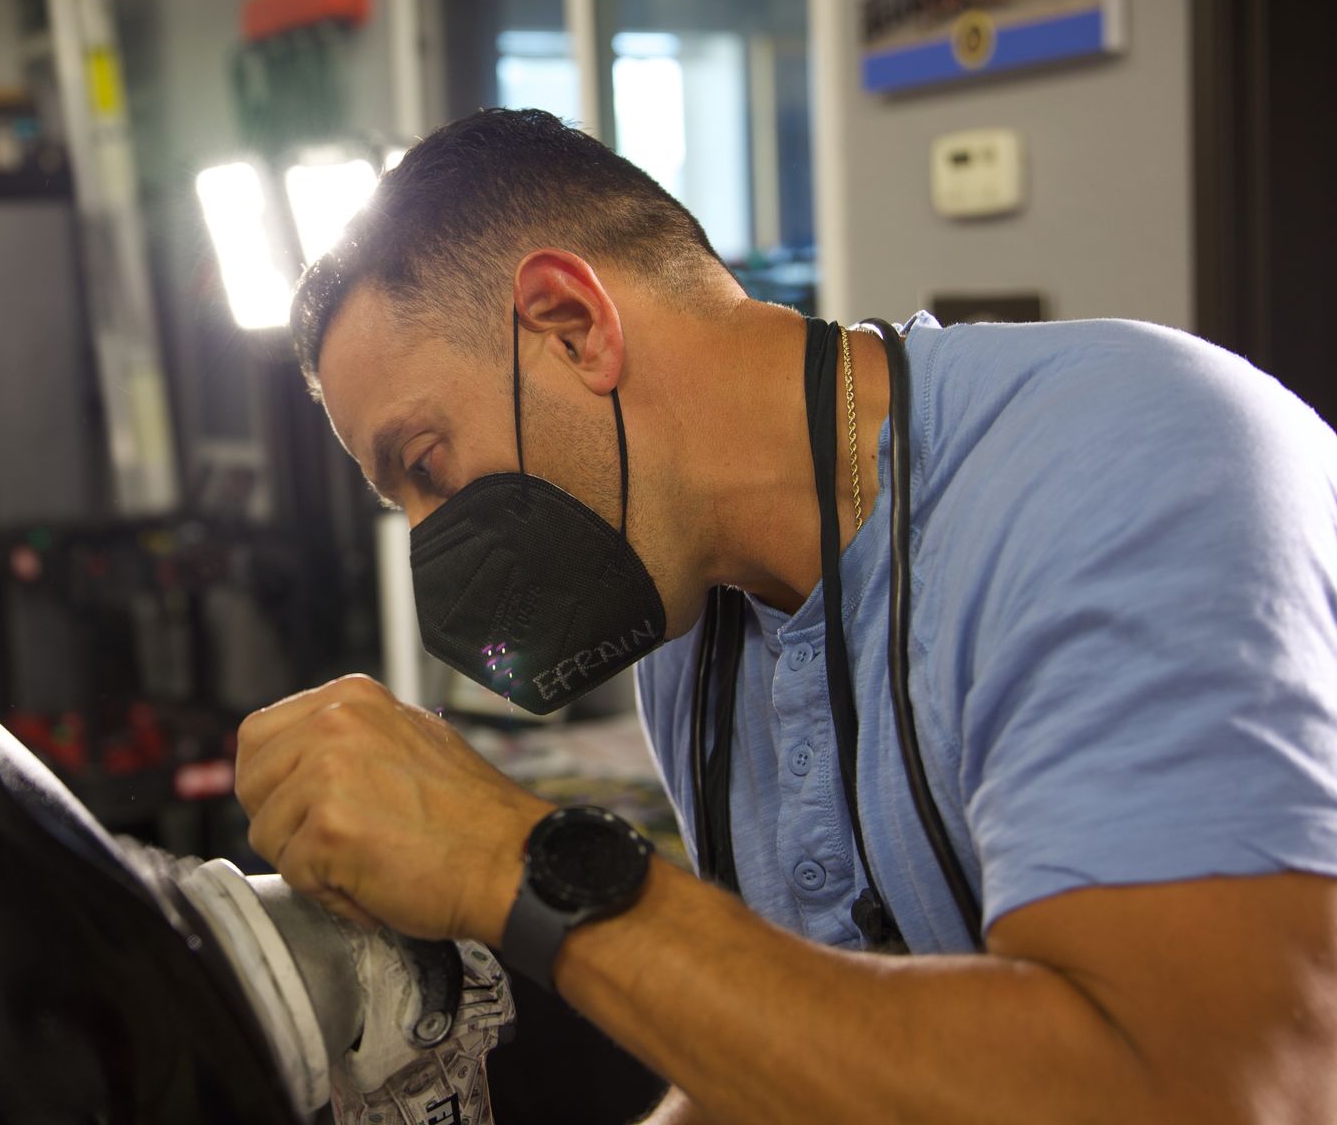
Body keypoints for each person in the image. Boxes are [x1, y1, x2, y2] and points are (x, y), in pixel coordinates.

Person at [232, 108, 1337, 1122]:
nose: (435, 540)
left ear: (572, 325)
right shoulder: (693, 636)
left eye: (428, 465)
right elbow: (808, 1038)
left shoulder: (1123, 462)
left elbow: (1214, 1086)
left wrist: (520, 860)